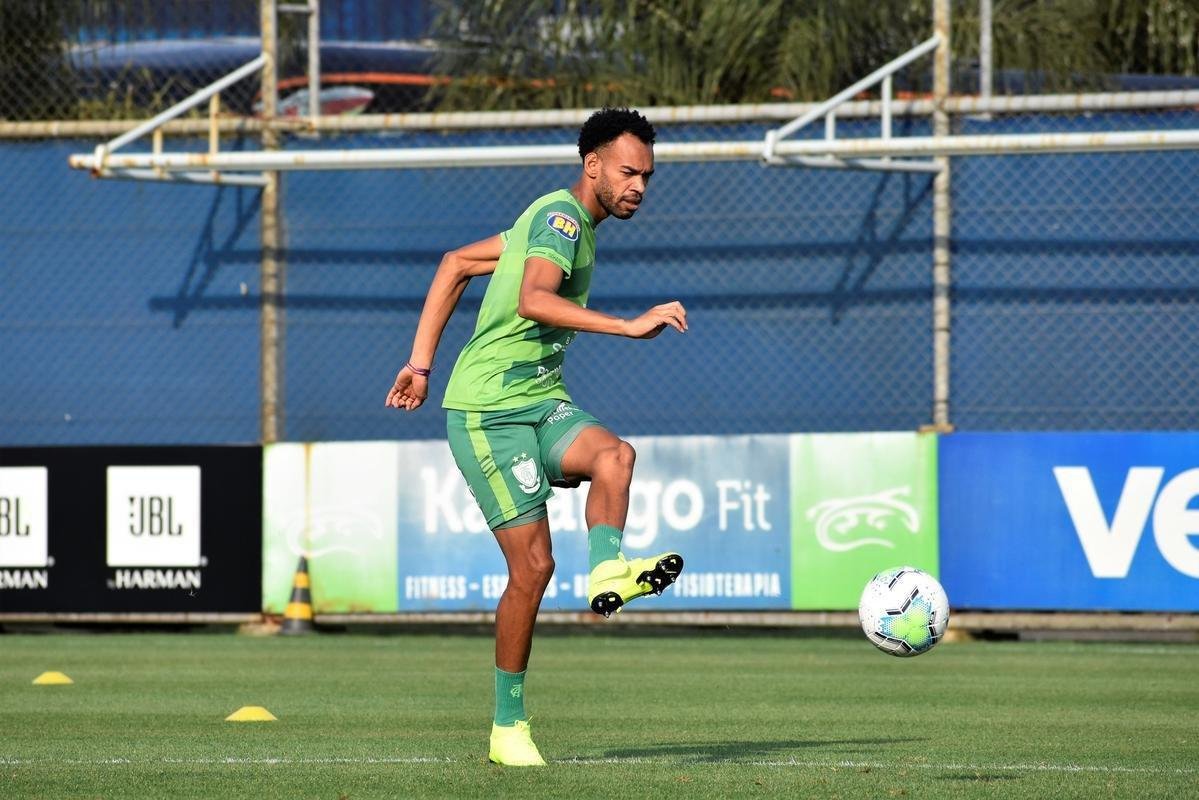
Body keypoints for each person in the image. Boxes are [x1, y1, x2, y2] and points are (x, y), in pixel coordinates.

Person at [385, 107, 687, 767]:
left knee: (615, 455)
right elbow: (532, 298)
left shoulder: (549, 218)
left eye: (647, 176)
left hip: (540, 401)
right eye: (628, 172)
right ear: (593, 167)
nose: (638, 185)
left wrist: (418, 364)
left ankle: (608, 570)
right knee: (533, 568)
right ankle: (507, 727)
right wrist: (627, 325)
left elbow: (456, 262)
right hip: (488, 413)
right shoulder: (560, 220)